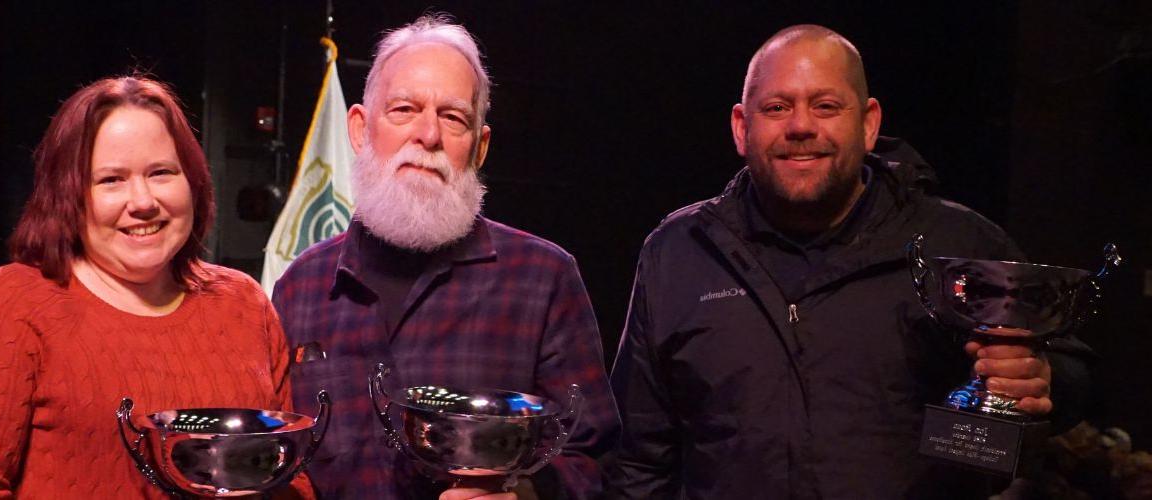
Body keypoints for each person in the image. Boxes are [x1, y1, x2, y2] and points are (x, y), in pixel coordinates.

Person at [602, 24, 1092, 498]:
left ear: (868, 122)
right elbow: (641, 456)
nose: (800, 126)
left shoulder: (960, 242)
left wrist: (1044, 377)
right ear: (740, 126)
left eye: (826, 106)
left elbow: (1074, 374)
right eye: (776, 107)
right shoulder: (679, 250)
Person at [0, 76, 311, 499]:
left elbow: (289, 473)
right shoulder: (10, 305)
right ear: (69, 195)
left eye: (161, 173)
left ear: (193, 182)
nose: (142, 201)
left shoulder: (243, 304)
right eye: (111, 180)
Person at [272, 14, 617, 500]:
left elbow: (596, 456)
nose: (428, 135)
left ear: (479, 147)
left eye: (453, 117)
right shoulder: (298, 288)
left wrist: (527, 495)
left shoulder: (544, 279)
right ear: (359, 129)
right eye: (404, 109)